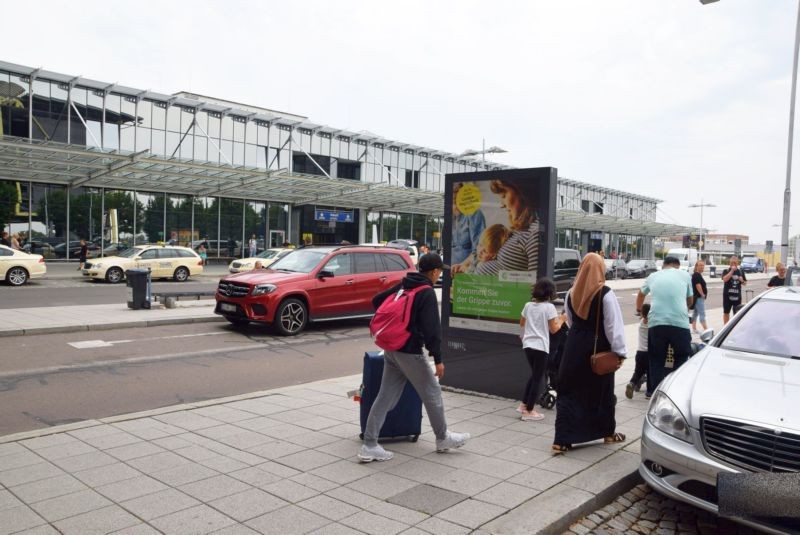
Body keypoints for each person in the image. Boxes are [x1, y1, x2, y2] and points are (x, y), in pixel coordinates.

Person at [359, 253, 470, 462]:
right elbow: (432, 330)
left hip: (392, 350)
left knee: (384, 397)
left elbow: (377, 301)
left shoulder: (405, 284)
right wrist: (438, 358)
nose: (439, 275)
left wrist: (397, 323)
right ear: (434, 271)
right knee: (432, 391)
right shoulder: (426, 292)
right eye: (439, 271)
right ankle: (443, 437)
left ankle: (369, 444)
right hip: (409, 351)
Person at [552, 253, 627, 454]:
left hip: (574, 346)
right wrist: (619, 352)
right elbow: (613, 326)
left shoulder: (570, 293)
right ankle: (607, 433)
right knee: (601, 392)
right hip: (597, 347)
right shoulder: (605, 293)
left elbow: (570, 320)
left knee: (569, 391)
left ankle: (561, 440)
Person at [635, 256, 693, 398]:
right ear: (677, 266)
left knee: (656, 360)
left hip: (656, 323)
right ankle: (675, 392)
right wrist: (682, 308)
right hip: (679, 323)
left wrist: (639, 311)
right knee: (681, 357)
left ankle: (656, 394)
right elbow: (690, 300)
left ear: (664, 266)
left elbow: (641, 294)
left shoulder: (653, 276)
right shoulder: (685, 275)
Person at [518, 277, 565, 422]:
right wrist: (563, 318)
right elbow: (554, 329)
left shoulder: (528, 305)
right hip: (541, 347)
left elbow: (522, 323)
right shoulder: (549, 308)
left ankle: (523, 404)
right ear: (550, 292)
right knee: (538, 378)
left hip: (528, 345)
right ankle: (529, 411)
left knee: (534, 375)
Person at [451, 182, 486, 265]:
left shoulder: (474, 213)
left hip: (465, 272)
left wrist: (461, 266)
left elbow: (478, 251)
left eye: (456, 191)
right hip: (449, 271)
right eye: (452, 191)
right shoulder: (449, 215)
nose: (453, 195)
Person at [625, 303, 651, 400]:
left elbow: (643, 315)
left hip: (639, 352)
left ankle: (632, 383)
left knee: (638, 372)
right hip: (649, 353)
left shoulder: (641, 323)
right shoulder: (652, 324)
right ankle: (649, 391)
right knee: (650, 372)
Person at [721, 256, 747, 324]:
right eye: (731, 263)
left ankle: (735, 328)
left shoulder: (741, 271)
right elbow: (724, 279)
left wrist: (742, 280)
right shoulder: (726, 271)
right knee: (726, 313)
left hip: (737, 297)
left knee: (737, 314)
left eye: (734, 263)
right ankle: (725, 327)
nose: (733, 264)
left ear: (737, 263)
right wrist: (732, 271)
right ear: (729, 263)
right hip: (727, 297)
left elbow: (745, 283)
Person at [690, 260, 709, 333]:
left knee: (695, 313)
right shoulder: (696, 275)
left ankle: (694, 329)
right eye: (700, 265)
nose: (702, 267)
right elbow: (698, 285)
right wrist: (702, 294)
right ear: (696, 266)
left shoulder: (697, 274)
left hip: (698, 297)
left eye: (703, 265)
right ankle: (706, 330)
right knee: (702, 313)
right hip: (698, 297)